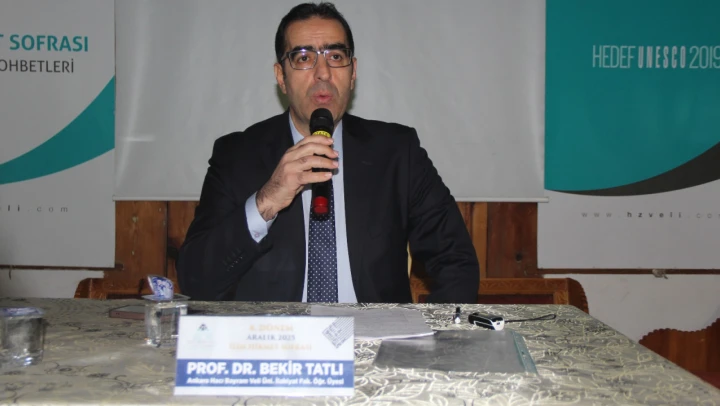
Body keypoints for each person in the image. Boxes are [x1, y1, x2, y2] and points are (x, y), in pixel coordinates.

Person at [176, 2, 479, 304]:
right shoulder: (236, 155)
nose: (323, 73)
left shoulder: (397, 152)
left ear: (353, 72)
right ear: (281, 76)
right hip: (277, 333)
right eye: (304, 58)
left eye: (335, 56)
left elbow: (456, 260)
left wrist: (429, 330)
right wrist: (266, 201)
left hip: (374, 333)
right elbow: (196, 281)